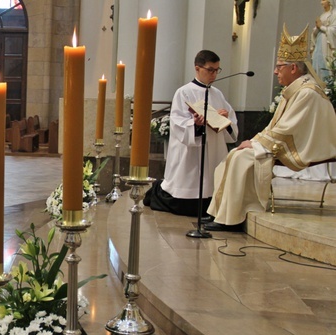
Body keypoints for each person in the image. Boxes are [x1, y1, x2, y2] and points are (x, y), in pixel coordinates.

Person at [205, 25, 336, 231]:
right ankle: (222, 213)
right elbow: (276, 127)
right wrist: (255, 142)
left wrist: (256, 144)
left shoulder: (307, 93)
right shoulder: (295, 90)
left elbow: (287, 130)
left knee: (242, 158)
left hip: (304, 146)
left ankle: (234, 217)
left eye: (279, 66)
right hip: (289, 141)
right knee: (235, 156)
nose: (275, 71)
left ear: (293, 68)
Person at [144, 50, 238, 217]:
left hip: (214, 149)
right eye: (210, 70)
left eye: (217, 70)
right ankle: (157, 192)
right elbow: (178, 123)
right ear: (197, 68)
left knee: (212, 192)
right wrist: (195, 124)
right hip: (192, 153)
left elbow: (232, 126)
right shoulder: (184, 92)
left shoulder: (217, 94)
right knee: (186, 201)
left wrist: (225, 120)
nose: (214, 74)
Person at [311, 0, 336, 81]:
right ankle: (318, 81)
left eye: (323, 0)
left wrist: (321, 27)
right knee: (317, 60)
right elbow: (317, 30)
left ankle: (327, 84)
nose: (321, 3)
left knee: (326, 62)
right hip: (319, 41)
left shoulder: (334, 14)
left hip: (327, 43)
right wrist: (316, 28)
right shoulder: (322, 15)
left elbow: (334, 30)